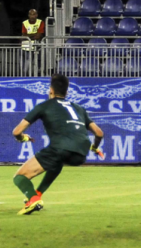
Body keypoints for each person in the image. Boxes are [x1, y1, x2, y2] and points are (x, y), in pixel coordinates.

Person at [11, 74, 105, 215]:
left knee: (20, 177)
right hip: (81, 154)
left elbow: (16, 131)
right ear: (66, 92)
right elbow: (99, 133)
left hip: (60, 148)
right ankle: (37, 193)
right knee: (56, 164)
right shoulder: (79, 108)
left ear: (51, 90)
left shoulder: (44, 106)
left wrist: (22, 138)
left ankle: (33, 198)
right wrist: (95, 147)